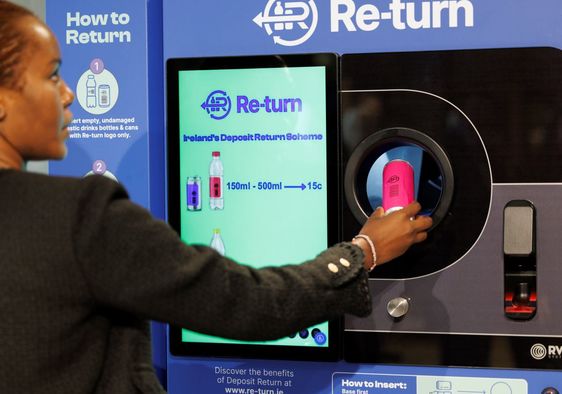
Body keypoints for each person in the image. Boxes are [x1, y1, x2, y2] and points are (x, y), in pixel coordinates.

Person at [0, 1, 432, 393]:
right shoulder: (80, 216)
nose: (68, 93)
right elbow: (247, 302)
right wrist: (364, 251)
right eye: (52, 74)